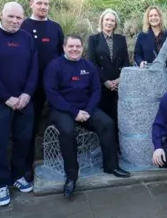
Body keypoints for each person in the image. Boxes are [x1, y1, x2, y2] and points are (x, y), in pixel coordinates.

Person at [44, 34, 131, 198]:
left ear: (82, 48)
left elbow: (96, 90)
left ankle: (111, 166)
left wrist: (89, 111)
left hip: (86, 109)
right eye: (71, 46)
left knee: (107, 123)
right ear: (64, 47)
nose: (74, 49)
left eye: (78, 46)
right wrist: (74, 112)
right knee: (68, 131)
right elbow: (52, 94)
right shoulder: (54, 66)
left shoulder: (88, 66)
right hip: (62, 110)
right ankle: (71, 176)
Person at [0, 2, 38, 206]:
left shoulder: (26, 38)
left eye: (19, 18)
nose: (15, 21)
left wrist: (27, 93)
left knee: (23, 140)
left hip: (24, 101)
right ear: (1, 14)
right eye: (11, 16)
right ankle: (1, 183)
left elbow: (33, 67)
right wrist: (7, 98)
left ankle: (17, 175)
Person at [20, 0, 64, 182]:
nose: (43, 7)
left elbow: (62, 54)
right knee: (29, 127)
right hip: (31, 87)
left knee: (62, 124)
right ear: (31, 4)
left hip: (54, 86)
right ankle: (26, 167)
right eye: (39, 3)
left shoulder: (55, 27)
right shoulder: (23, 26)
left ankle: (61, 162)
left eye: (46, 4)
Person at [87, 9, 130, 138]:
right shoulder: (93, 39)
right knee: (103, 120)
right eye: (107, 20)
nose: (109, 23)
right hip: (101, 86)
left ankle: (117, 148)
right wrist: (105, 81)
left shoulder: (121, 39)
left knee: (117, 118)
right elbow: (92, 63)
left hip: (118, 86)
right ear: (102, 21)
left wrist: (118, 80)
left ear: (115, 23)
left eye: (112, 20)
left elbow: (126, 62)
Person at [133, 6, 167, 83]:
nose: (153, 18)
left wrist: (163, 61)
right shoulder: (142, 35)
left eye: (156, 15)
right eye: (150, 16)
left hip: (166, 75)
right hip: (147, 75)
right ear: (147, 19)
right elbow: (137, 54)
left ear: (160, 17)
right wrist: (140, 62)